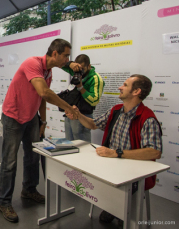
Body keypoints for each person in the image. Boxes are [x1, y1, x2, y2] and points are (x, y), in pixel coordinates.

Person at [0, 38, 78, 223]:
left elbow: (41, 99)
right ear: (55, 53)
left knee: (33, 156)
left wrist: (42, 121)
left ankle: (29, 190)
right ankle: (3, 201)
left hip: (31, 117)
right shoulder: (32, 63)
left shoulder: (48, 71)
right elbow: (44, 93)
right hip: (14, 117)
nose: (67, 59)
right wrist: (69, 108)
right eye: (65, 55)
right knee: (9, 162)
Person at [65, 74, 162, 225]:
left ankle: (119, 208)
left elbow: (154, 152)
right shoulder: (116, 110)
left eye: (124, 85)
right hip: (111, 166)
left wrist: (117, 153)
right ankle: (112, 206)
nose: (120, 87)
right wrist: (78, 116)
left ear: (136, 92)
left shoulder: (147, 118)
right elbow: (93, 124)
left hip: (133, 173)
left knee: (124, 218)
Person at [61, 54, 104, 142]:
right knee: (69, 142)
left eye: (82, 68)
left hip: (83, 115)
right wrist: (71, 64)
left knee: (82, 145)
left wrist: (81, 87)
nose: (80, 71)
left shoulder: (96, 78)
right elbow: (61, 64)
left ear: (89, 66)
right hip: (71, 113)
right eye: (78, 68)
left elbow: (94, 100)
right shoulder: (76, 71)